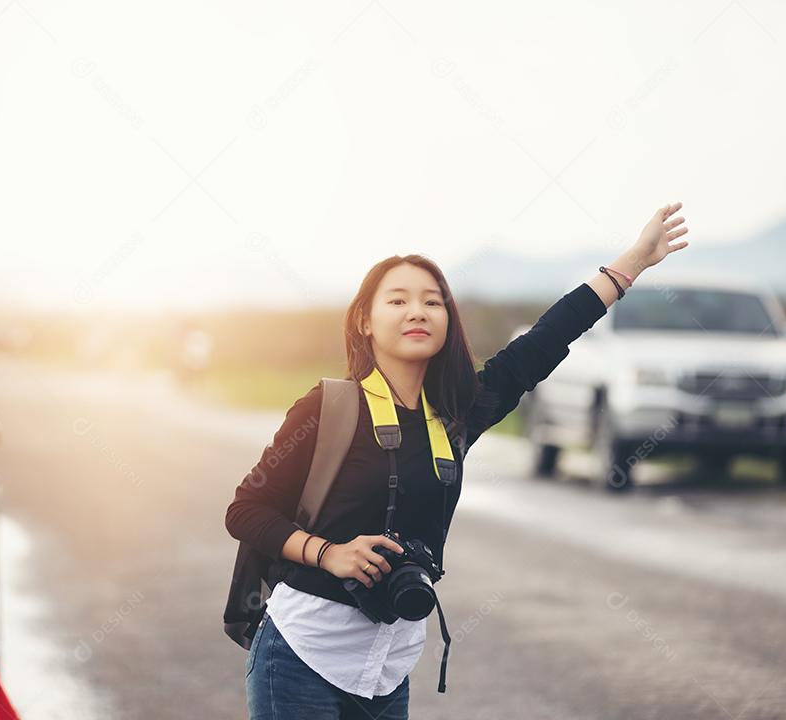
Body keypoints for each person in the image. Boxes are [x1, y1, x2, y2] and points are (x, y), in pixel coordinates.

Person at [225, 203, 690, 718]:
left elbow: (544, 341)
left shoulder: (455, 415)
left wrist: (632, 264)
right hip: (300, 655)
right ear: (364, 320)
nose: (417, 311)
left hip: (386, 670)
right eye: (397, 300)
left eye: (433, 301)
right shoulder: (329, 407)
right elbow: (246, 510)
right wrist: (327, 552)